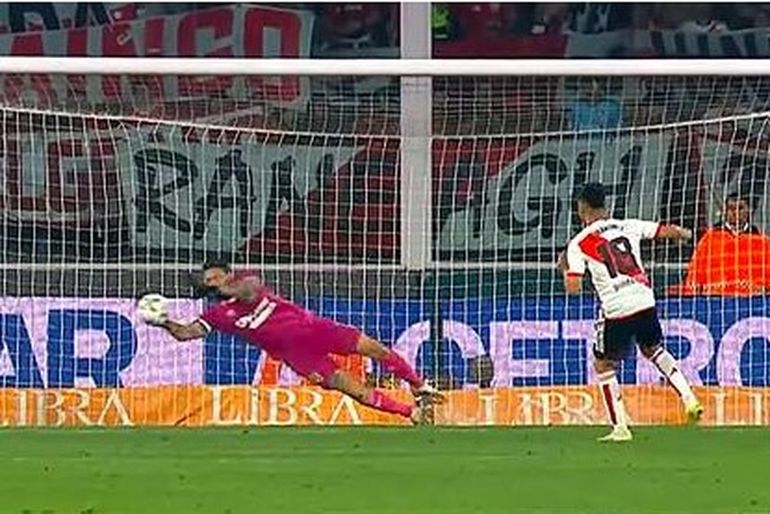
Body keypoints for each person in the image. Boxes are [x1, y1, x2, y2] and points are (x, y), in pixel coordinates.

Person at [147, 260, 442, 424]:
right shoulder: (217, 315)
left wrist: (221, 288)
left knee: (377, 349)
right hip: (298, 355)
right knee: (353, 388)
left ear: (227, 274)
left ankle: (418, 385)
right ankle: (412, 414)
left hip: (315, 328)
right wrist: (163, 322)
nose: (211, 282)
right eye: (207, 280)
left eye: (214, 277)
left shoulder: (247, 281)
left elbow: (249, 291)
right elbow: (186, 333)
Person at [559, 183, 703, 442]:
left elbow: (574, 288)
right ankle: (689, 398)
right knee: (653, 349)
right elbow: (664, 231)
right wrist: (686, 234)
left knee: (604, 365)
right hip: (644, 299)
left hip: (616, 309)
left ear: (581, 207)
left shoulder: (579, 243)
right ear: (604, 204)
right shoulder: (628, 225)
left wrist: (565, 267)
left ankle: (620, 428)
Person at [674, 193, 770, 296]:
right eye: (731, 208)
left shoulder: (763, 242)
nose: (735, 212)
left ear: (749, 210)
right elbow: (694, 274)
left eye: (740, 208)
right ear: (725, 211)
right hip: (715, 300)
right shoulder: (709, 240)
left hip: (752, 300)